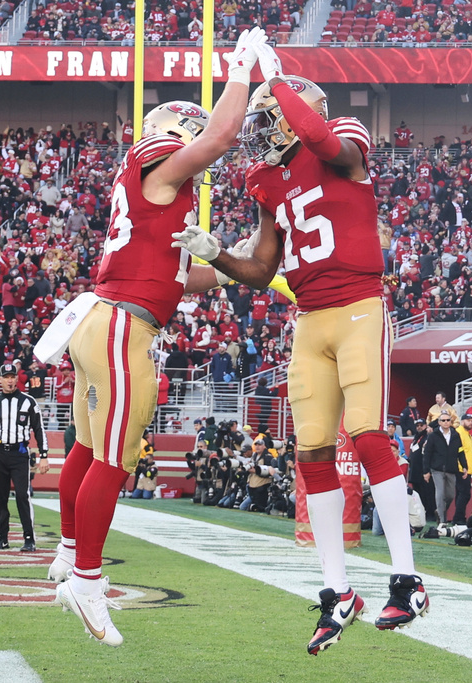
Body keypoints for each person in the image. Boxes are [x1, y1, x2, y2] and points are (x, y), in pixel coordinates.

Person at [175, 45, 428, 645]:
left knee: (368, 437)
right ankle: (337, 594)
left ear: (297, 109)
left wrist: (274, 77)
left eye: (270, 117)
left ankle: (408, 581)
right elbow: (264, 269)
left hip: (361, 305)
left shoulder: (341, 137)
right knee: (311, 454)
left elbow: (322, 140)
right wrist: (218, 256)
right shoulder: (264, 178)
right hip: (310, 320)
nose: (264, 133)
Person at [51, 28, 271, 649]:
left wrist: (225, 258)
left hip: (102, 319)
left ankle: (70, 554)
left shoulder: (151, 197)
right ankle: (88, 585)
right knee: (116, 461)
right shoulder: (157, 168)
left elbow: (181, 276)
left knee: (91, 451)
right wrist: (239, 69)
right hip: (122, 326)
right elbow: (223, 135)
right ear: (173, 134)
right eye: (189, 136)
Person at [0, 364, 49, 551]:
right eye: (6, 377)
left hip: (20, 454)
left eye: (12, 376)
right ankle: (1, 538)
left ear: (17, 379)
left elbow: (39, 429)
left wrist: (44, 455)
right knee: (0, 498)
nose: (9, 380)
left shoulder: (29, 401)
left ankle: (29, 539)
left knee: (23, 496)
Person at [422, 413, 463, 525]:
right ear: (439, 422)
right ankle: (442, 520)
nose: (445, 422)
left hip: (451, 469)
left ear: (451, 421)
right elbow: (427, 454)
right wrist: (426, 471)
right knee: (440, 493)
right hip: (437, 469)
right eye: (443, 420)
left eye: (447, 420)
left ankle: (440, 511)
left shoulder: (456, 435)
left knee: (450, 495)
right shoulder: (433, 436)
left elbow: (460, 452)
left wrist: (464, 466)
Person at [453, 413, 472, 523]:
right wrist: (462, 467)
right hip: (462, 469)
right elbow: (459, 452)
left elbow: (470, 453)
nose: (471, 423)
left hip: (467, 469)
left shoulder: (467, 434)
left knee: (461, 494)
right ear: (462, 421)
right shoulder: (459, 432)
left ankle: (459, 517)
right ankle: (458, 518)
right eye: (468, 420)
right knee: (464, 494)